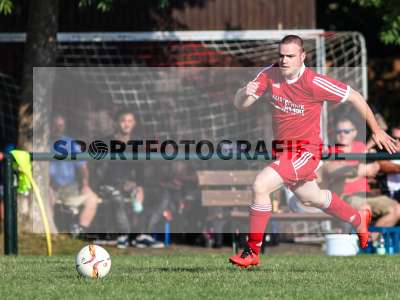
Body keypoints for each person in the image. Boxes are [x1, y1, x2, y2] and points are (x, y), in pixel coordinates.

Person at [229, 35, 399, 268]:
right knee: (311, 197)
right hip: (283, 152)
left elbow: (355, 96)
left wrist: (377, 130)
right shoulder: (270, 73)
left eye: (290, 56)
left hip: (306, 152)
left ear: (302, 57)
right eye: (281, 56)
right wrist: (243, 92)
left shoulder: (315, 82)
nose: (284, 61)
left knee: (261, 185)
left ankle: (252, 251)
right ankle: (357, 218)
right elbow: (242, 105)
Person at [321, 117, 400, 228]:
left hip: (366, 195)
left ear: (355, 133)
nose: (342, 134)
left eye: (346, 131)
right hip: (343, 197)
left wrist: (365, 164)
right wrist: (361, 170)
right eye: (339, 131)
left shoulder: (360, 147)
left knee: (397, 209)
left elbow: (376, 166)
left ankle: (373, 238)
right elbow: (333, 170)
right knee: (365, 209)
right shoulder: (330, 151)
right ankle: (364, 242)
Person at [50, 114, 98, 235]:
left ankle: (79, 231)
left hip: (70, 188)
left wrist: (85, 184)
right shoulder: (41, 142)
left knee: (92, 199)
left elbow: (83, 167)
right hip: (49, 188)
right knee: (47, 199)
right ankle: (51, 233)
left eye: (61, 125)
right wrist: (48, 184)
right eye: (55, 125)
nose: (58, 128)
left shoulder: (70, 143)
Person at [377, 124, 400, 201]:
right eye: (393, 138)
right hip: (390, 196)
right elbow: (384, 166)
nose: (396, 142)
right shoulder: (382, 154)